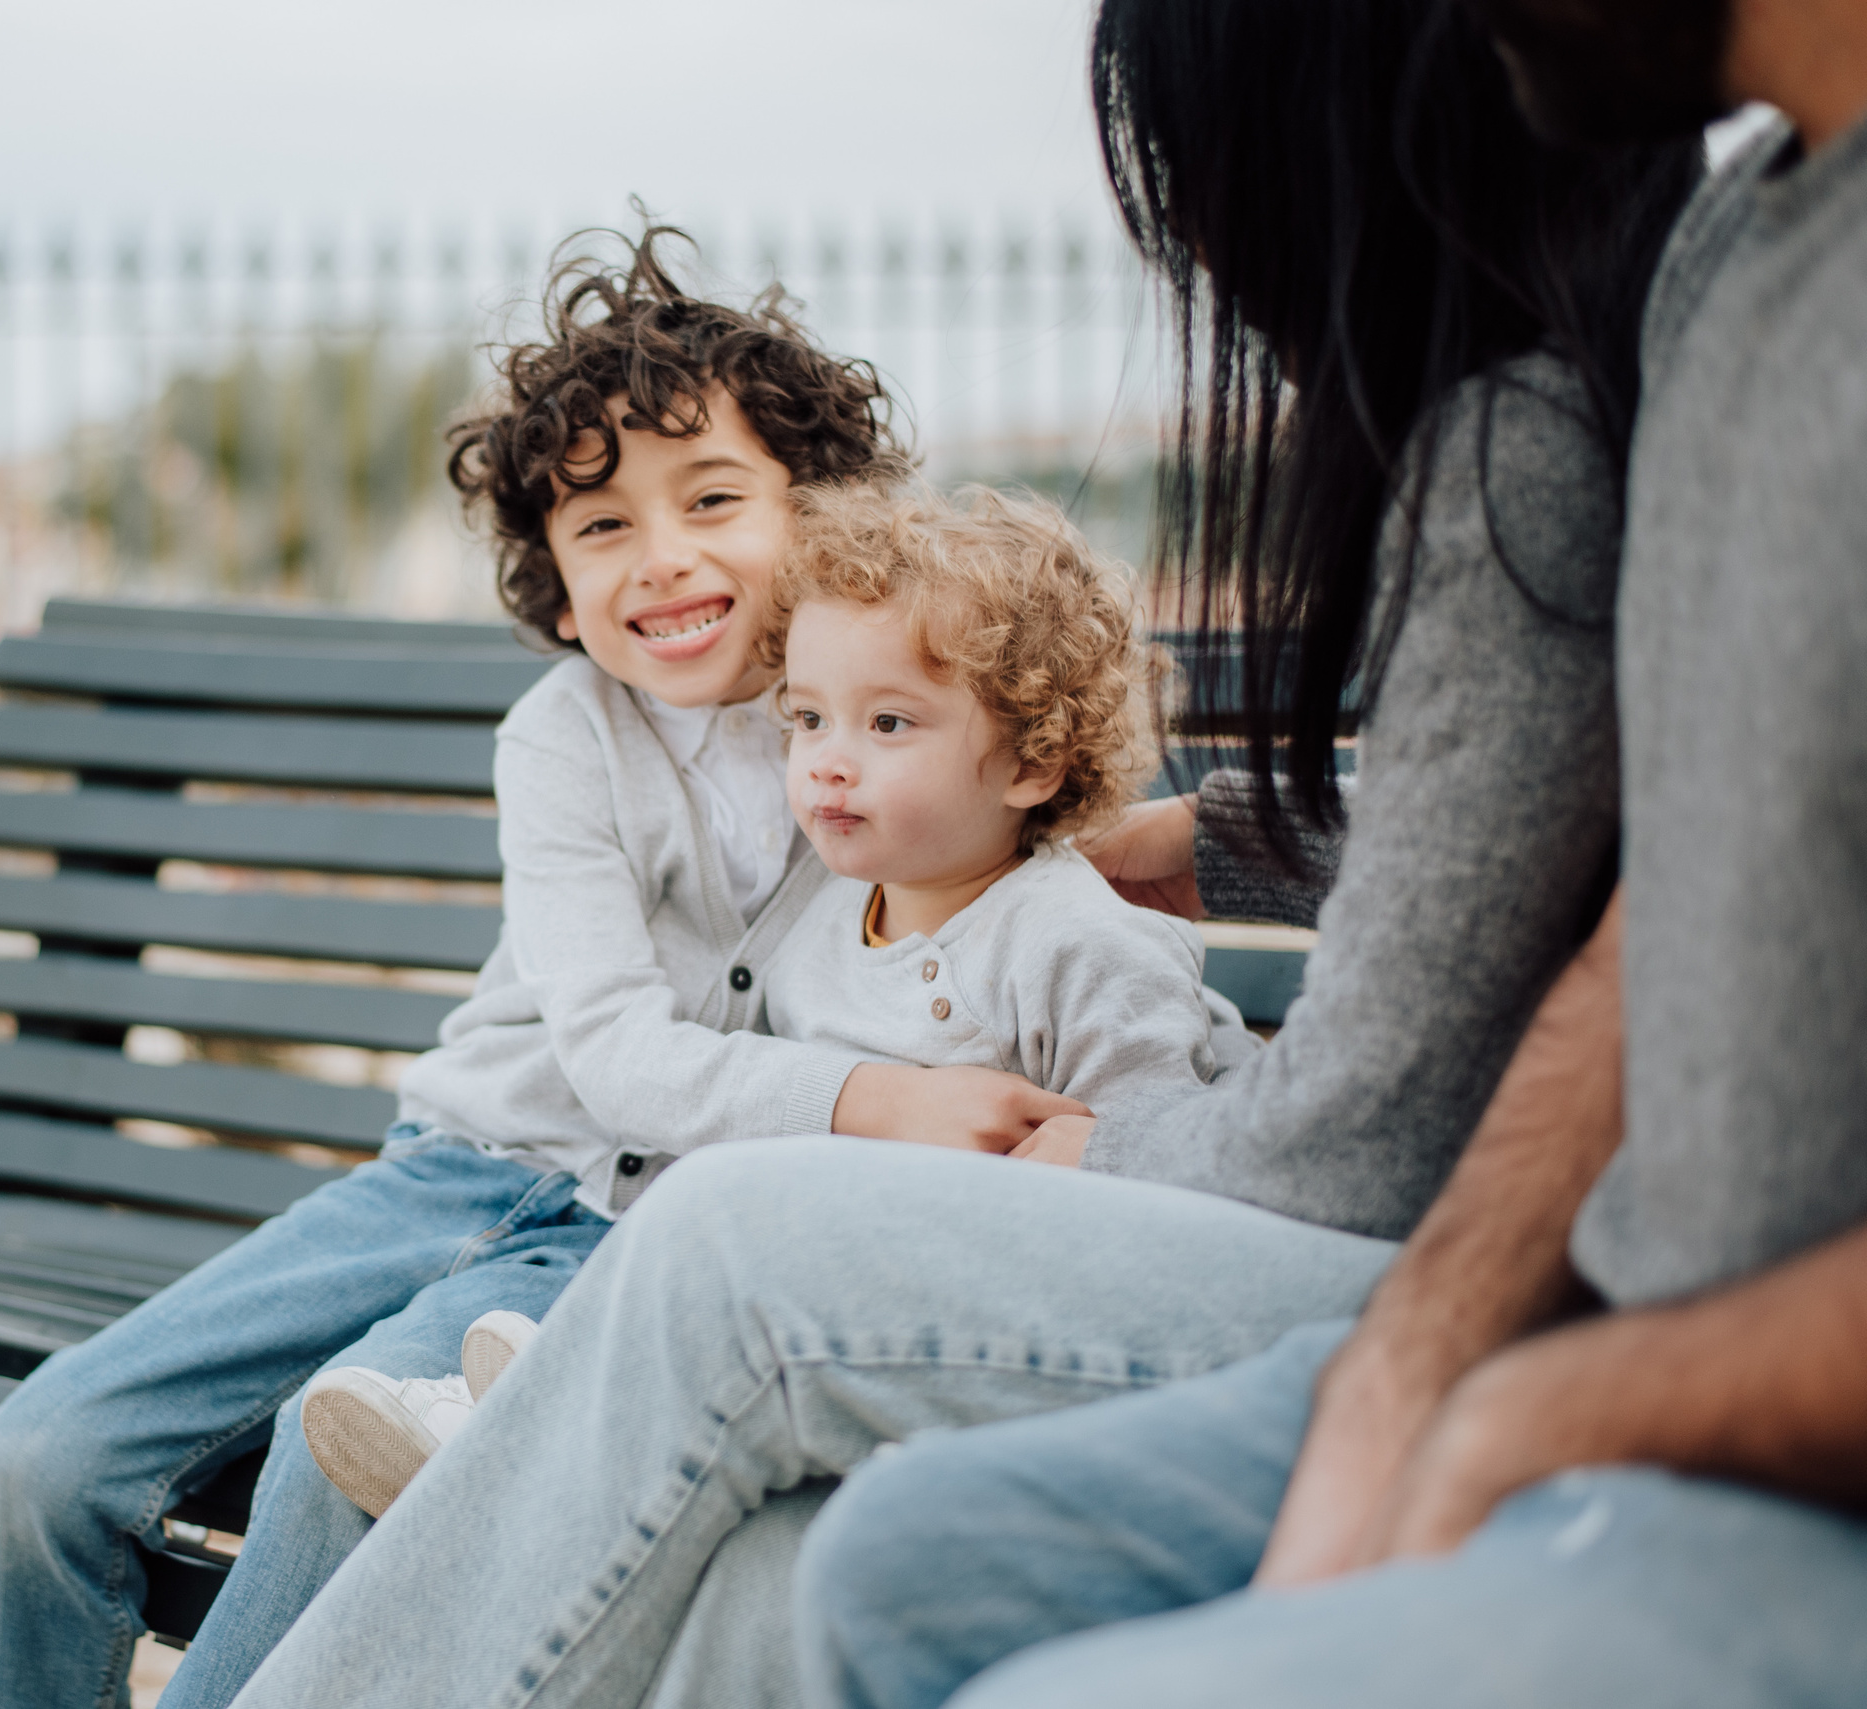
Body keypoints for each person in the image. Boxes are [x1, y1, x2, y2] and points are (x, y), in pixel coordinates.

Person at [220, 1, 1699, 1703]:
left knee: (727, 1249)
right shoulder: (1572, 394)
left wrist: (1080, 1137)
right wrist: (1212, 843)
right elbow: (1538, 833)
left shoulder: (1524, 446)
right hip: (1462, 1232)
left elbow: (1364, 1128)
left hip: (1449, 1254)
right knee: (784, 1574)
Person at [793, 0, 1867, 1703]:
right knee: (890, 1566)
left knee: (759, 1278)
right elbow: (1657, 905)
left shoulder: (1538, 432)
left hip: (1735, 1454)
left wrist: (1541, 1402)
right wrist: (1416, 1372)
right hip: (1594, 1355)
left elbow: (1366, 1120)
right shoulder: (1747, 253)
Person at [0, 230, 1109, 1709]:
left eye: (714, 499)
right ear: (561, 589)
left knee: (347, 1446)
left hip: (623, 1239)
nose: (666, 558)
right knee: (49, 1454)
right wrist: (880, 1099)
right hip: (450, 1171)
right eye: (604, 528)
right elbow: (615, 1059)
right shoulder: (564, 735)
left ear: (822, 521)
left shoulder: (883, 729)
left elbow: (1040, 831)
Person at [300, 482, 1238, 1517]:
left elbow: (1153, 1165)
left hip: (959, 1326)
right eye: (805, 717)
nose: (828, 760)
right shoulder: (829, 921)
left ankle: (538, 1416)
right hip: (815, 1290)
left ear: (1030, 760)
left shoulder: (1080, 938)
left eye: (887, 721)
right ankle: (533, 1404)